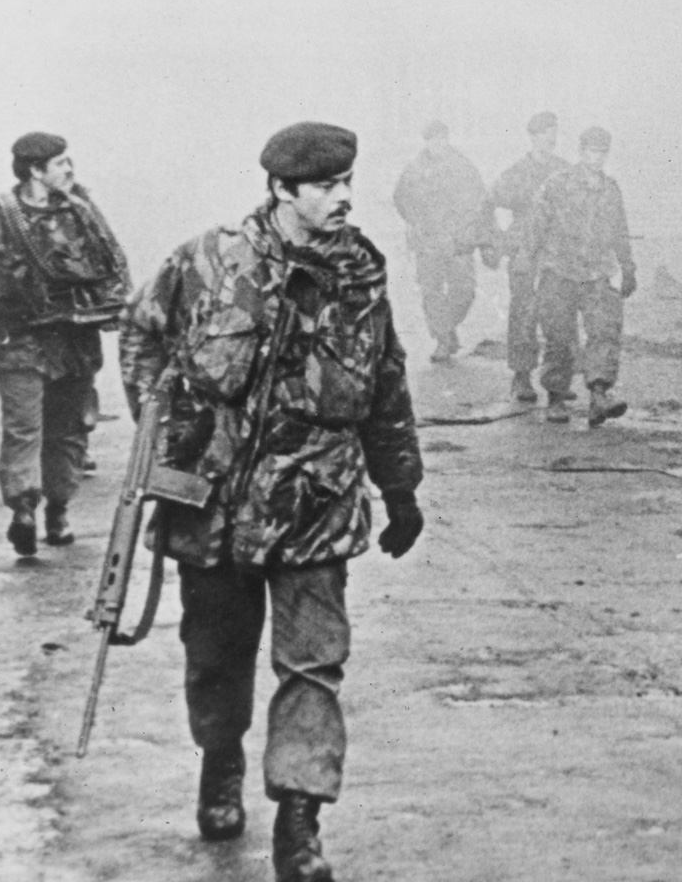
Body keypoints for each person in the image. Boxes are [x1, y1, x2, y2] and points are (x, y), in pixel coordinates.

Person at [119, 121, 424, 882]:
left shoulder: (360, 274)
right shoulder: (209, 260)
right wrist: (169, 439)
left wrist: (400, 486)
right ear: (282, 190)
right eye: (326, 186)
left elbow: (384, 379)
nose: (345, 198)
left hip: (315, 504)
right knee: (216, 656)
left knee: (313, 665)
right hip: (213, 506)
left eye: (348, 182)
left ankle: (299, 819)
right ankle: (220, 764)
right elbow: (141, 334)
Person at [0, 132, 131, 555]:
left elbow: (114, 265)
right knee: (23, 429)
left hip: (74, 340)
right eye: (60, 163)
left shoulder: (83, 213)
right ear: (35, 171)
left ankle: (58, 507)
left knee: (68, 430)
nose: (69, 169)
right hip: (18, 339)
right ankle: (23, 510)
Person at [525, 125, 636, 425]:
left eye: (602, 152)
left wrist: (628, 267)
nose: (597, 158)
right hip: (559, 270)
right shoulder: (556, 184)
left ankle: (599, 396)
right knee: (559, 336)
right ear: (581, 151)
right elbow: (537, 227)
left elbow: (620, 231)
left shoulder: (610, 189)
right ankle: (556, 398)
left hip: (597, 271)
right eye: (592, 151)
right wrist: (530, 267)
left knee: (603, 332)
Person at [392, 119, 490, 364]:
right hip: (427, 241)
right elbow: (400, 198)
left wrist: (470, 230)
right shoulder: (414, 169)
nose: (439, 143)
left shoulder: (463, 167)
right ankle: (444, 340)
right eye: (433, 139)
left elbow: (480, 200)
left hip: (458, 241)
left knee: (465, 291)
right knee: (431, 291)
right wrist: (417, 222)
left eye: (442, 138)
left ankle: (445, 328)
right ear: (426, 142)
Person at [485, 111, 566, 402]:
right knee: (524, 313)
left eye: (554, 132)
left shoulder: (564, 171)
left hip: (556, 254)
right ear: (532, 137)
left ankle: (557, 380)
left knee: (559, 314)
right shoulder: (516, 172)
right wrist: (497, 242)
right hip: (525, 254)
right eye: (545, 132)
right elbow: (489, 203)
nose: (551, 138)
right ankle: (521, 377)